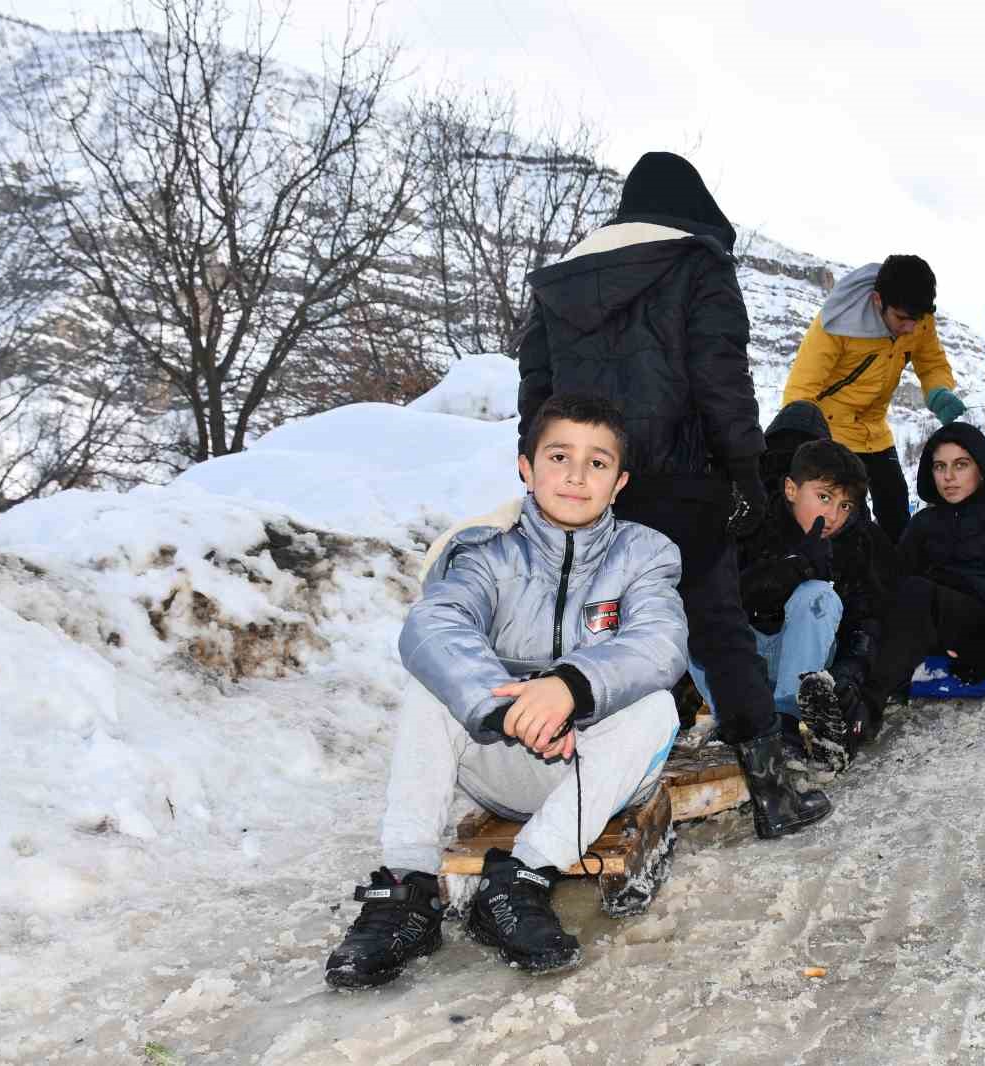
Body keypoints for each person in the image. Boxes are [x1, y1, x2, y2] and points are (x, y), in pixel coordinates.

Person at [516, 151, 830, 840]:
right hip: (684, 483)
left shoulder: (560, 283)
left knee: (592, 632)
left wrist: (543, 472)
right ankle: (771, 793)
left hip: (591, 489)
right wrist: (745, 471)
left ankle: (581, 786)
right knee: (717, 630)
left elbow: (535, 391)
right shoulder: (697, 264)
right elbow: (721, 378)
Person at [326, 396, 687, 988]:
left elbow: (661, 641)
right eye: (559, 456)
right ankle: (405, 893)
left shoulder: (645, 553)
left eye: (597, 463)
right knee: (430, 684)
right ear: (526, 467)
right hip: (503, 751)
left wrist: (571, 688)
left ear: (619, 482)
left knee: (657, 705)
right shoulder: (484, 549)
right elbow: (434, 625)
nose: (576, 475)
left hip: (593, 773)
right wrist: (507, 707)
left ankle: (520, 879)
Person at [697, 428, 885, 772]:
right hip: (743, 660)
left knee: (818, 597)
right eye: (824, 497)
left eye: (845, 505)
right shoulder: (751, 522)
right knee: (687, 617)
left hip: (804, 674)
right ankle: (735, 717)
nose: (833, 515)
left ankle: (786, 722)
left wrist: (848, 675)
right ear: (791, 489)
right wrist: (795, 567)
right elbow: (724, 598)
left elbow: (867, 620)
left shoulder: (854, 544)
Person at [855, 422, 985, 725]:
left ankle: (862, 714)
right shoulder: (924, 522)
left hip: (982, 620)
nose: (948, 477)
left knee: (915, 591)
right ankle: (843, 680)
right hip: (927, 620)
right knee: (872, 552)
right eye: (939, 466)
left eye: (960, 465)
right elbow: (892, 583)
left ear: (981, 468)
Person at [783, 255, 967, 543]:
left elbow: (931, 363)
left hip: (875, 432)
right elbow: (801, 389)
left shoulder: (918, 319)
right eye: (902, 319)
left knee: (896, 512)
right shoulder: (836, 324)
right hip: (832, 433)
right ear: (878, 300)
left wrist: (938, 390)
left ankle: (902, 578)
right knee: (848, 520)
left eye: (916, 320)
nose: (910, 328)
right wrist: (804, 446)